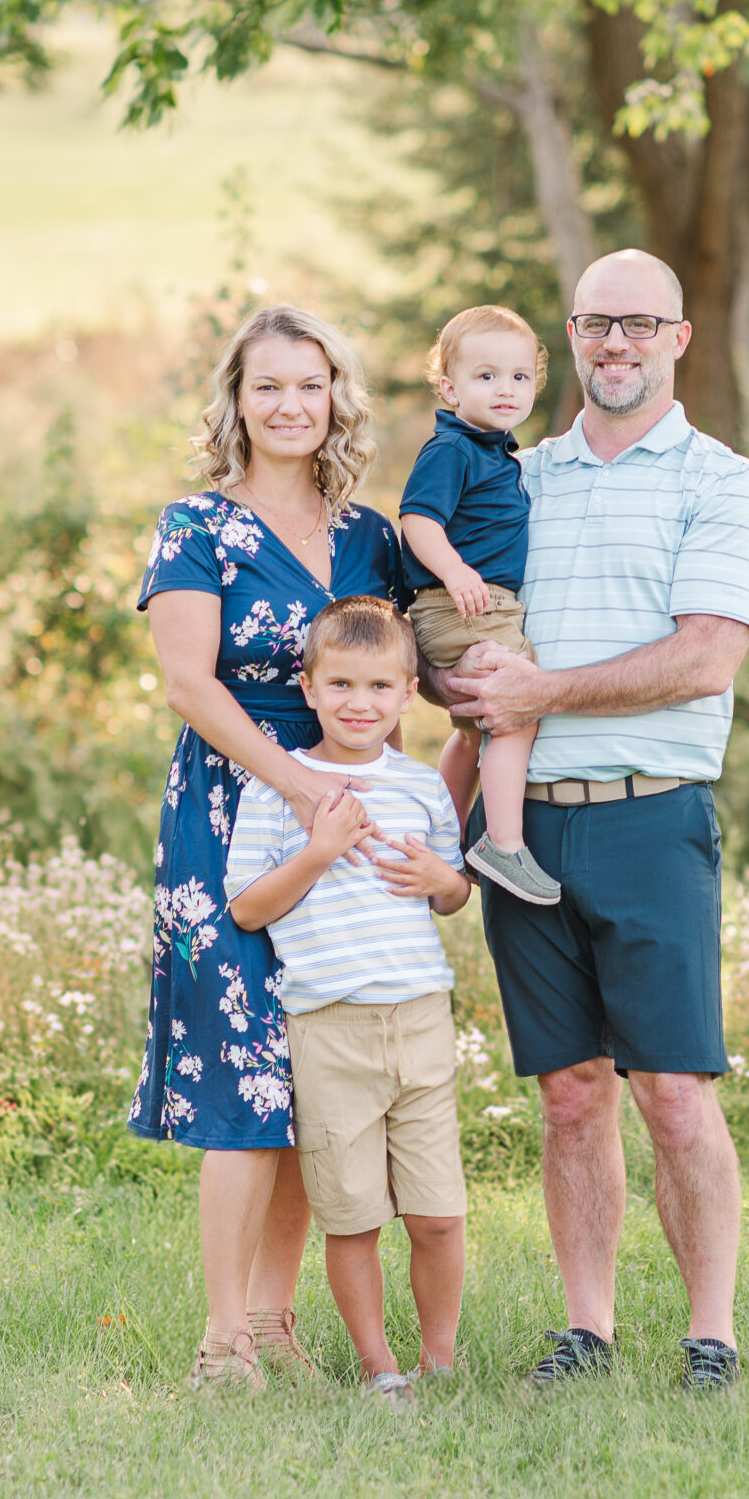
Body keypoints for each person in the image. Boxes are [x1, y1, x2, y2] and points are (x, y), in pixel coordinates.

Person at [441, 248, 749, 1394]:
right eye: (594, 325)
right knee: (570, 1090)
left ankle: (711, 1335)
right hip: (521, 819)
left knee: (673, 1088)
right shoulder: (515, 476)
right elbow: (456, 630)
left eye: (640, 323)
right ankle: (587, 1327)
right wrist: (458, 695)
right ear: (570, 337)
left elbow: (705, 655)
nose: (615, 344)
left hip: (650, 818)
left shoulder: (720, 482)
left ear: (679, 338)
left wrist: (545, 693)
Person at [126, 306, 411, 1394]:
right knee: (242, 1067)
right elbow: (189, 681)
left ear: (337, 395)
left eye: (309, 384)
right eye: (267, 387)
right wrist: (297, 783)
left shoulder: (371, 537)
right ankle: (219, 1339)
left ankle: (275, 1317)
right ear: (235, 401)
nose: (290, 405)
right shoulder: (194, 525)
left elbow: (393, 678)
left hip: (346, 816)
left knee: (313, 1067)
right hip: (230, 814)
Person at [223, 596, 473, 1408]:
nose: (358, 703)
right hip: (328, 1023)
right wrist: (320, 849)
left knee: (438, 1213)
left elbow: (448, 891)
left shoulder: (422, 788)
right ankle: (381, 1367)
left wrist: (449, 883)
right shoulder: (279, 789)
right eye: (340, 684)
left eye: (377, 686)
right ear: (309, 687)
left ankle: (441, 1359)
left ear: (407, 693)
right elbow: (248, 908)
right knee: (353, 1214)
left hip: (420, 1018)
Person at [396, 305, 559, 906]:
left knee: (471, 733)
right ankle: (503, 843)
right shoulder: (453, 450)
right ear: (449, 388)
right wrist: (455, 568)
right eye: (486, 376)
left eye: (519, 377)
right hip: (465, 604)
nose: (506, 389)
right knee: (520, 705)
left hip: (474, 605)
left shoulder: (495, 453)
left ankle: (439, 834)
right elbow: (417, 518)